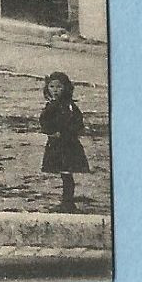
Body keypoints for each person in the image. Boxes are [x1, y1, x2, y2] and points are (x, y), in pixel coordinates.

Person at [40, 71, 90, 213]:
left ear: (66, 88)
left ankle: (68, 202)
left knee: (67, 174)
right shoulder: (52, 105)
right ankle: (66, 202)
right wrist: (49, 131)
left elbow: (77, 123)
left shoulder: (69, 106)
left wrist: (63, 133)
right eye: (52, 87)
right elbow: (44, 121)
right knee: (64, 174)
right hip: (56, 145)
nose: (55, 90)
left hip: (67, 146)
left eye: (59, 87)